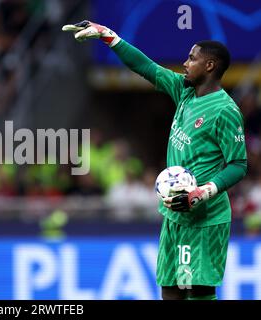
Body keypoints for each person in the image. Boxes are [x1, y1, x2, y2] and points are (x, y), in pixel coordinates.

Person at [63, 21, 248, 300]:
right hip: (174, 212)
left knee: (197, 290)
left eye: (192, 58)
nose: (185, 63)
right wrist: (108, 36)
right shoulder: (184, 91)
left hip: (204, 217)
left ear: (210, 66)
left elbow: (238, 165)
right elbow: (146, 67)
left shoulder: (225, 110)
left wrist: (201, 193)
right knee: (170, 289)